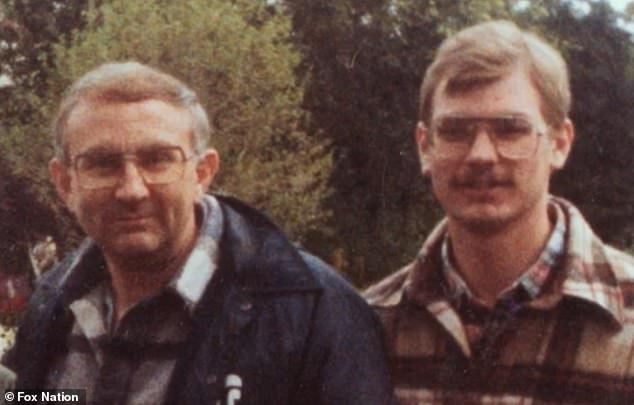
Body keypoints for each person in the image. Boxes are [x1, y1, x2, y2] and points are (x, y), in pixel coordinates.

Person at [3, 61, 392, 404]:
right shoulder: (53, 303)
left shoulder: (312, 311)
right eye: (102, 164)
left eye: (158, 160)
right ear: (65, 183)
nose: (132, 190)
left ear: (202, 173)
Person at [364, 20, 634, 404]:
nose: (481, 155)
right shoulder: (371, 324)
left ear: (560, 143)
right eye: (456, 131)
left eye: (510, 129)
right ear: (425, 147)